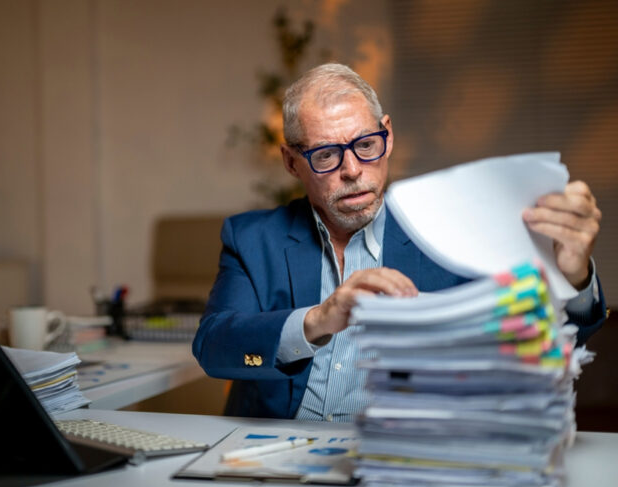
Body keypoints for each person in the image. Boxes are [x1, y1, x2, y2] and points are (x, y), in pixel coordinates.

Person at [192, 63, 606, 422]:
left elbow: (546, 338)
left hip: (401, 457)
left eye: (366, 146)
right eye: (324, 156)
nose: (352, 170)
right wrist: (318, 320)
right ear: (290, 162)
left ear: (386, 135)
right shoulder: (251, 238)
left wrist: (573, 277)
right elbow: (215, 350)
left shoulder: (450, 232)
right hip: (270, 460)